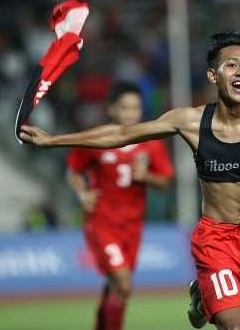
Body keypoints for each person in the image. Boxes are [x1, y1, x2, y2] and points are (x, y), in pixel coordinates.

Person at [20, 30, 240, 330]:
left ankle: (203, 300)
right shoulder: (189, 120)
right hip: (217, 239)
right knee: (235, 325)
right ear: (213, 76)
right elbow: (122, 133)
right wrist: (53, 140)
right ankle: (210, 293)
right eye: (232, 65)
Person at [66, 81, 174, 330]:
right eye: (124, 108)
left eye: (135, 108)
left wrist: (146, 177)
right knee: (124, 285)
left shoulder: (151, 143)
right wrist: (83, 194)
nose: (130, 113)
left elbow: (166, 182)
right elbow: (73, 171)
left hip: (133, 226)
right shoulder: (98, 138)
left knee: (116, 285)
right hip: (102, 221)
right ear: (111, 109)